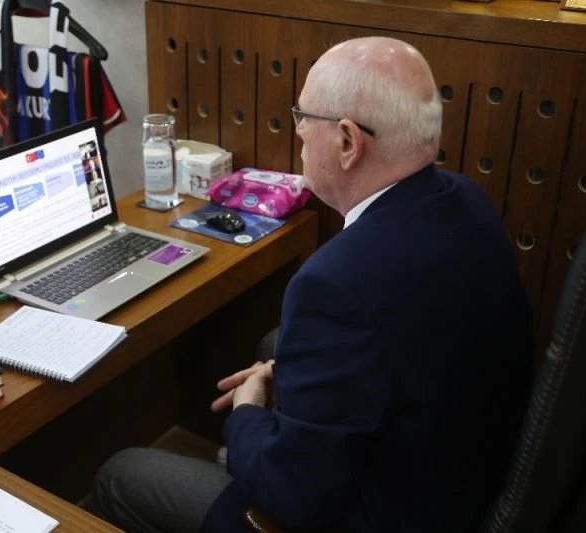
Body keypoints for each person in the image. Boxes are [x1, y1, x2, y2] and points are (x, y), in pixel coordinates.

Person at [94, 36, 532, 532]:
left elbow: (288, 496)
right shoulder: (468, 199)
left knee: (120, 474)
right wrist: (289, 371)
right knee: (274, 347)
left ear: (348, 142)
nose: (298, 129)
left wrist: (246, 412)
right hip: (465, 468)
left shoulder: (334, 283)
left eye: (303, 115)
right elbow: (407, 338)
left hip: (381, 514)